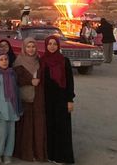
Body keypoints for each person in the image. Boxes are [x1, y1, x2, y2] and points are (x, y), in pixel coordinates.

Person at [41, 36, 75, 164]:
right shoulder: (43, 60)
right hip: (47, 99)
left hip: (61, 99)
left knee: (62, 128)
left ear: (58, 46)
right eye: (49, 43)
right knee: (49, 127)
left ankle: (62, 157)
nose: (52, 46)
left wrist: (70, 100)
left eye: (54, 44)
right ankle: (51, 155)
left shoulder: (64, 61)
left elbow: (70, 81)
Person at [13, 38, 46, 162]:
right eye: (28, 47)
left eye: (33, 46)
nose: (31, 49)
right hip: (23, 98)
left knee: (36, 126)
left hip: (36, 99)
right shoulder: (18, 61)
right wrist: (29, 81)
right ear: (24, 48)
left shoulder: (39, 61)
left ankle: (36, 152)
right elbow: (15, 79)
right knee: (24, 128)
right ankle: (24, 152)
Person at [0, 52, 22, 164]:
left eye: (6, 59)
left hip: (12, 108)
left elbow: (17, 92)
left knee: (11, 133)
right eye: (1, 59)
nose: (4, 61)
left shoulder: (12, 73)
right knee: (0, 132)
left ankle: (8, 155)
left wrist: (19, 108)